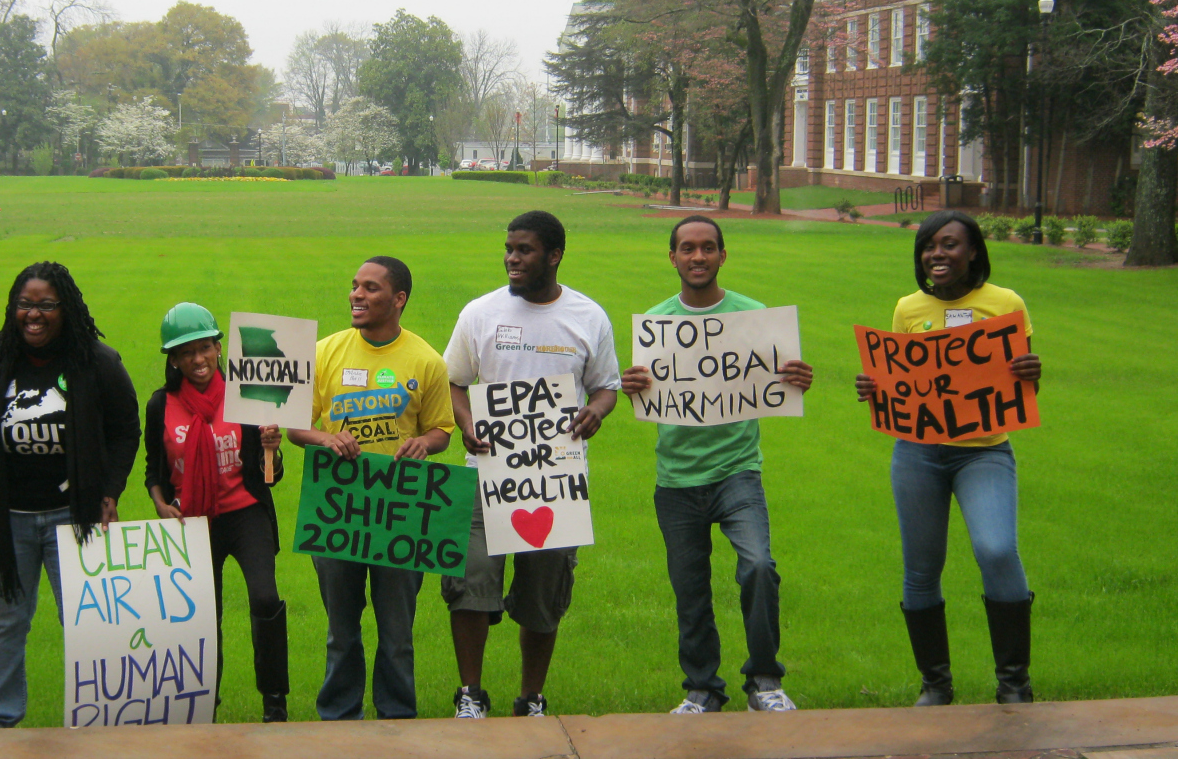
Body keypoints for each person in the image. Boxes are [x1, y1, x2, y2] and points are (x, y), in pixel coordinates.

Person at [620, 216, 813, 714]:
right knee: (691, 590)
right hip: (677, 478)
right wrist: (634, 387)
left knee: (758, 567)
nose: (698, 257)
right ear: (673, 257)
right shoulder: (658, 325)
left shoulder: (753, 318)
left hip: (737, 472)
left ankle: (765, 681)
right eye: (688, 248)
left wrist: (796, 376)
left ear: (723, 255)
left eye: (708, 248)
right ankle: (703, 688)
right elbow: (648, 392)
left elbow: (778, 380)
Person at [0, 261, 140, 728]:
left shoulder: (98, 364)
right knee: (1, 620)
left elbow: (125, 431)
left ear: (65, 309)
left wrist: (110, 490)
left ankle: (102, 715)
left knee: (89, 622)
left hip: (76, 519)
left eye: (46, 305)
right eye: (24, 305)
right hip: (3, 520)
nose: (34, 314)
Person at [855, 210, 1041, 706]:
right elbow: (899, 383)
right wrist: (874, 388)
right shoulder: (908, 309)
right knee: (921, 568)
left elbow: (1021, 386)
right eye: (928, 246)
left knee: (997, 549)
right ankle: (936, 684)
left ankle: (1014, 682)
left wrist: (1029, 370)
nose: (937, 254)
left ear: (973, 250)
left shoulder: (1005, 304)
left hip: (983, 453)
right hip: (918, 453)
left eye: (949, 244)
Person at [441, 210, 620, 719]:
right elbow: (455, 379)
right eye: (509, 249)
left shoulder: (588, 316)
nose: (511, 259)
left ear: (554, 255)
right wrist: (464, 421)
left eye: (524, 251)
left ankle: (531, 697)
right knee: (470, 581)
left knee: (545, 590)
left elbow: (606, 386)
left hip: (556, 478)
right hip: (486, 474)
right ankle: (470, 694)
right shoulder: (480, 313)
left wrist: (596, 413)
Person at [286, 256, 455, 720]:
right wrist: (326, 436)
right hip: (340, 510)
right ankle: (339, 718)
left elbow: (441, 429)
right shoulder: (326, 351)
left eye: (370, 288)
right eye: (355, 286)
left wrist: (423, 442)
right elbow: (296, 425)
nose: (356, 295)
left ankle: (397, 718)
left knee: (397, 632)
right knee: (341, 630)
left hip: (400, 512)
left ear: (398, 299)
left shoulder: (426, 360)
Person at [144, 302, 290, 723]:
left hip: (246, 514)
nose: (198, 359)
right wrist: (158, 503)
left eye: (205, 348)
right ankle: (203, 705)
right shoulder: (161, 406)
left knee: (265, 598)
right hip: (192, 521)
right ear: (173, 359)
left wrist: (270, 451)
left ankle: (274, 701)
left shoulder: (247, 395)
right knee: (203, 617)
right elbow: (153, 470)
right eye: (186, 352)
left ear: (218, 348)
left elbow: (270, 477)